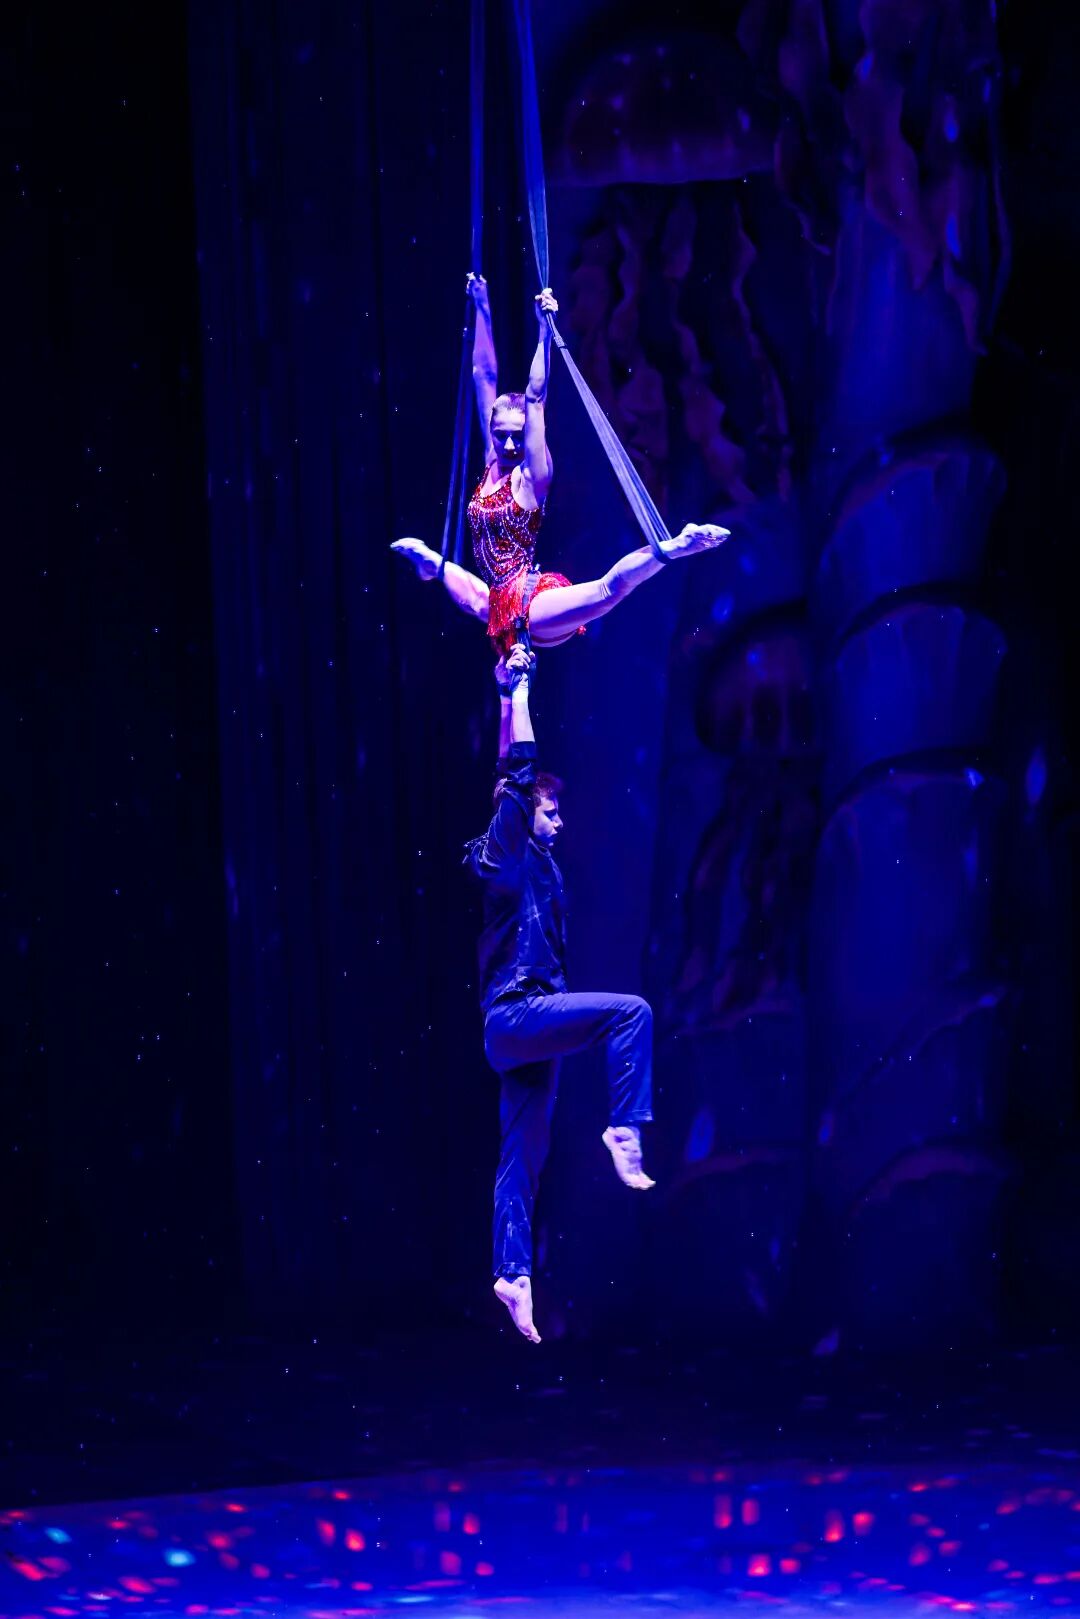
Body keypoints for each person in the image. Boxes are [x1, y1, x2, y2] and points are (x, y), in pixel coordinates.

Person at [464, 644, 656, 1344]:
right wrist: (519, 691)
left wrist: (501, 698)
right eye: (550, 810)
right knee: (631, 1013)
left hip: (527, 1033)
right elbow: (513, 780)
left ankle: (513, 1276)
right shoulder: (507, 854)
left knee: (524, 1152)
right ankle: (625, 1127)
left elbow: (507, 781)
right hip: (519, 1015)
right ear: (524, 816)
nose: (560, 820)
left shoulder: (537, 862)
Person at [392, 276, 730, 654]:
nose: (509, 445)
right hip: (496, 603)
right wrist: (482, 306)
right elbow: (484, 375)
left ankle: (678, 545)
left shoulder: (531, 477)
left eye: (518, 436)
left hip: (535, 607)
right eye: (500, 435)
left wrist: (543, 331)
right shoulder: (492, 461)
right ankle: (432, 565)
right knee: (476, 601)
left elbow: (535, 398)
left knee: (606, 591)